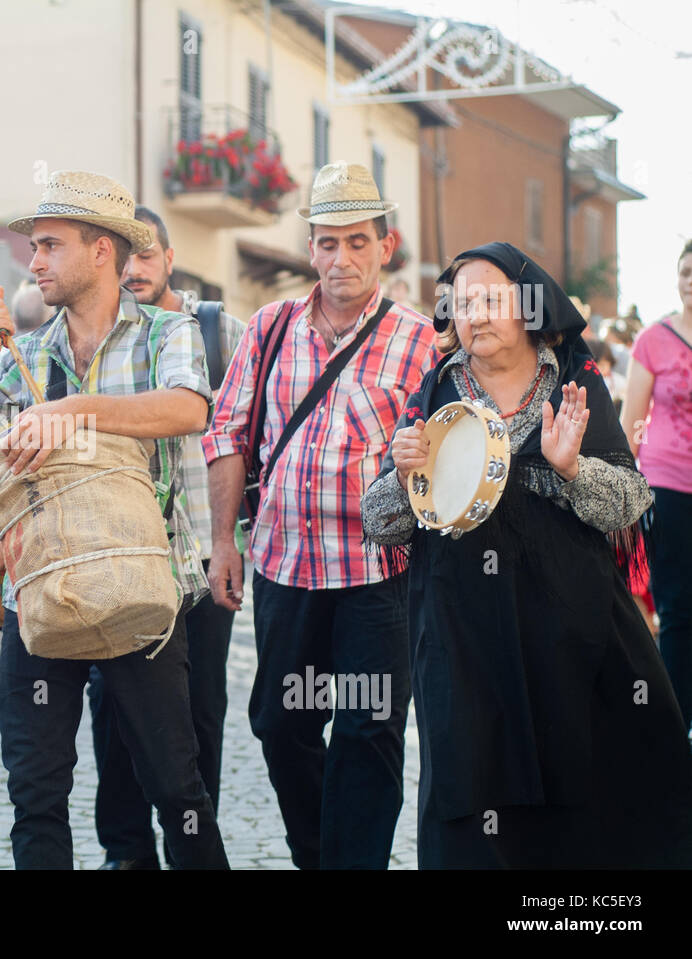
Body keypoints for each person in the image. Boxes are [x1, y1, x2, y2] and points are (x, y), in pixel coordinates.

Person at [362, 241, 692, 867]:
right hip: (464, 640)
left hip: (573, 632)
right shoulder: (434, 390)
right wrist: (401, 478)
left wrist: (571, 470)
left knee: (586, 783)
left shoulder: (573, 380)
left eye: (491, 300)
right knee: (472, 789)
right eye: (462, 304)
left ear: (529, 307)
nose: (476, 316)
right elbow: (381, 524)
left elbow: (628, 503)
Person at [0, 170, 229, 869]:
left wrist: (70, 410)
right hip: (40, 594)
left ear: (102, 251)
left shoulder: (169, 329)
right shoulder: (28, 351)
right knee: (35, 794)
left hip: (140, 584)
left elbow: (188, 408)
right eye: (34, 247)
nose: (34, 261)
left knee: (177, 788)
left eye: (49, 245)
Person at [203, 162, 434, 869]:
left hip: (378, 574)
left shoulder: (421, 339)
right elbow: (228, 434)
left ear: (385, 247)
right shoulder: (270, 327)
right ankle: (319, 855)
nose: (343, 259)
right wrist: (223, 543)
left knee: (369, 732)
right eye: (329, 243)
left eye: (358, 242)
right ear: (310, 249)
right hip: (285, 564)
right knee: (282, 724)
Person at [84, 204, 244, 869]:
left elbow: (244, 429)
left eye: (149, 255)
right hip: (117, 561)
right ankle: (127, 852)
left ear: (170, 258)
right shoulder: (97, 335)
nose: (137, 268)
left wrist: (235, 537)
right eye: (128, 257)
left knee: (198, 711)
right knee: (114, 711)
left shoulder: (216, 331)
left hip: (201, 556)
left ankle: (190, 845)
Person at [624, 240, 692, 735]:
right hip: (668, 485)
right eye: (686, 271)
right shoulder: (653, 340)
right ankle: (676, 729)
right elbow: (630, 422)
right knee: (676, 607)